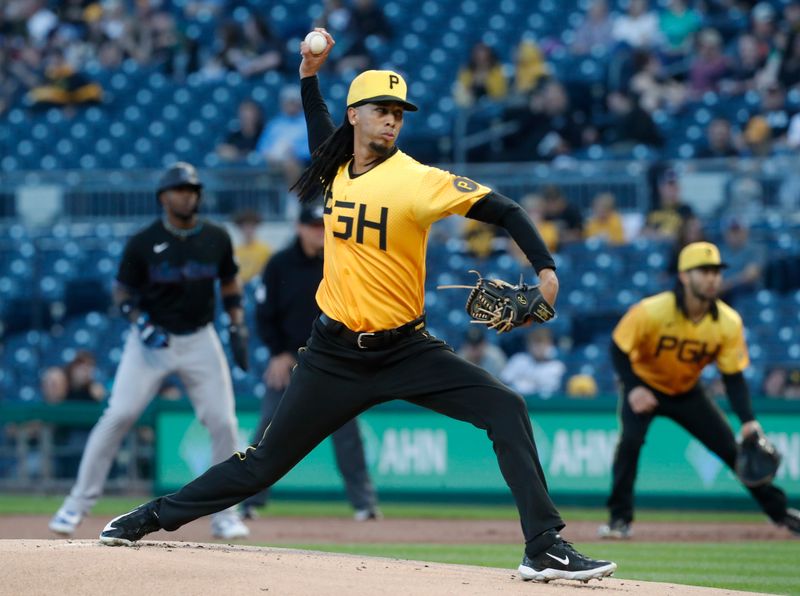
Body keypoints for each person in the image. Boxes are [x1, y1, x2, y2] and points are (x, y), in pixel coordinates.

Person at [97, 29, 617, 584]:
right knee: (263, 465)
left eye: (399, 111)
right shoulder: (333, 167)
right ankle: (150, 516)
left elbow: (507, 210)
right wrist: (307, 74)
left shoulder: (419, 180)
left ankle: (543, 545)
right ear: (355, 116)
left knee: (506, 407)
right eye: (381, 109)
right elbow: (316, 120)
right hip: (333, 355)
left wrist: (547, 273)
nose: (392, 119)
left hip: (407, 349)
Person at [50, 162, 250, 541]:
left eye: (191, 189)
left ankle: (225, 516)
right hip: (150, 342)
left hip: (199, 338)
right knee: (119, 414)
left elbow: (229, 282)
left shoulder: (216, 237)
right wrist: (137, 320)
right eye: (178, 189)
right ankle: (74, 506)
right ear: (163, 196)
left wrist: (237, 324)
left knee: (224, 422)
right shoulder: (143, 241)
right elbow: (122, 291)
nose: (186, 195)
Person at [599, 242, 800, 539]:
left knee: (734, 452)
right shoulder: (652, 311)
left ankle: (781, 514)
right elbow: (618, 347)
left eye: (716, 272)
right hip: (646, 387)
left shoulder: (728, 322)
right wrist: (633, 387)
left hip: (687, 391)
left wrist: (747, 421)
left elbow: (733, 377)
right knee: (629, 443)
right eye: (704, 271)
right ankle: (619, 520)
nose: (712, 278)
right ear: (684, 276)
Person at [241, 203, 380, 521]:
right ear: (300, 228)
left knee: (347, 434)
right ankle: (249, 501)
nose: (320, 231)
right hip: (290, 359)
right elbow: (264, 314)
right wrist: (277, 352)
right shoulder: (279, 264)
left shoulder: (341, 259)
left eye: (323, 225)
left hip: (334, 359)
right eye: (313, 226)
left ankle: (364, 503)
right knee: (269, 432)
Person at [500, 327, 566, 399]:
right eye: (534, 343)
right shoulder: (518, 360)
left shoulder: (557, 367)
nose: (538, 347)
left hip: (542, 406)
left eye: (541, 342)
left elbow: (550, 391)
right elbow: (504, 381)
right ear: (528, 344)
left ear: (549, 344)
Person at [232, 209, 272, 283]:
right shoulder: (235, 250)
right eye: (245, 227)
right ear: (240, 228)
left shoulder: (265, 250)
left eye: (251, 226)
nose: (248, 230)